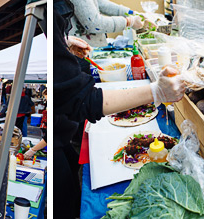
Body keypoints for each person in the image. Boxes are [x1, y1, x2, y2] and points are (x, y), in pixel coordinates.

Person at [53, 13, 186, 218]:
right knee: (64, 203)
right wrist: (156, 92)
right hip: (56, 136)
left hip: (62, 132)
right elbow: (83, 100)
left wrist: (62, 43)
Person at [66, 0, 143, 47]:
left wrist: (131, 13)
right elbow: (95, 24)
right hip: (81, 50)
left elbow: (101, 3)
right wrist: (129, 22)